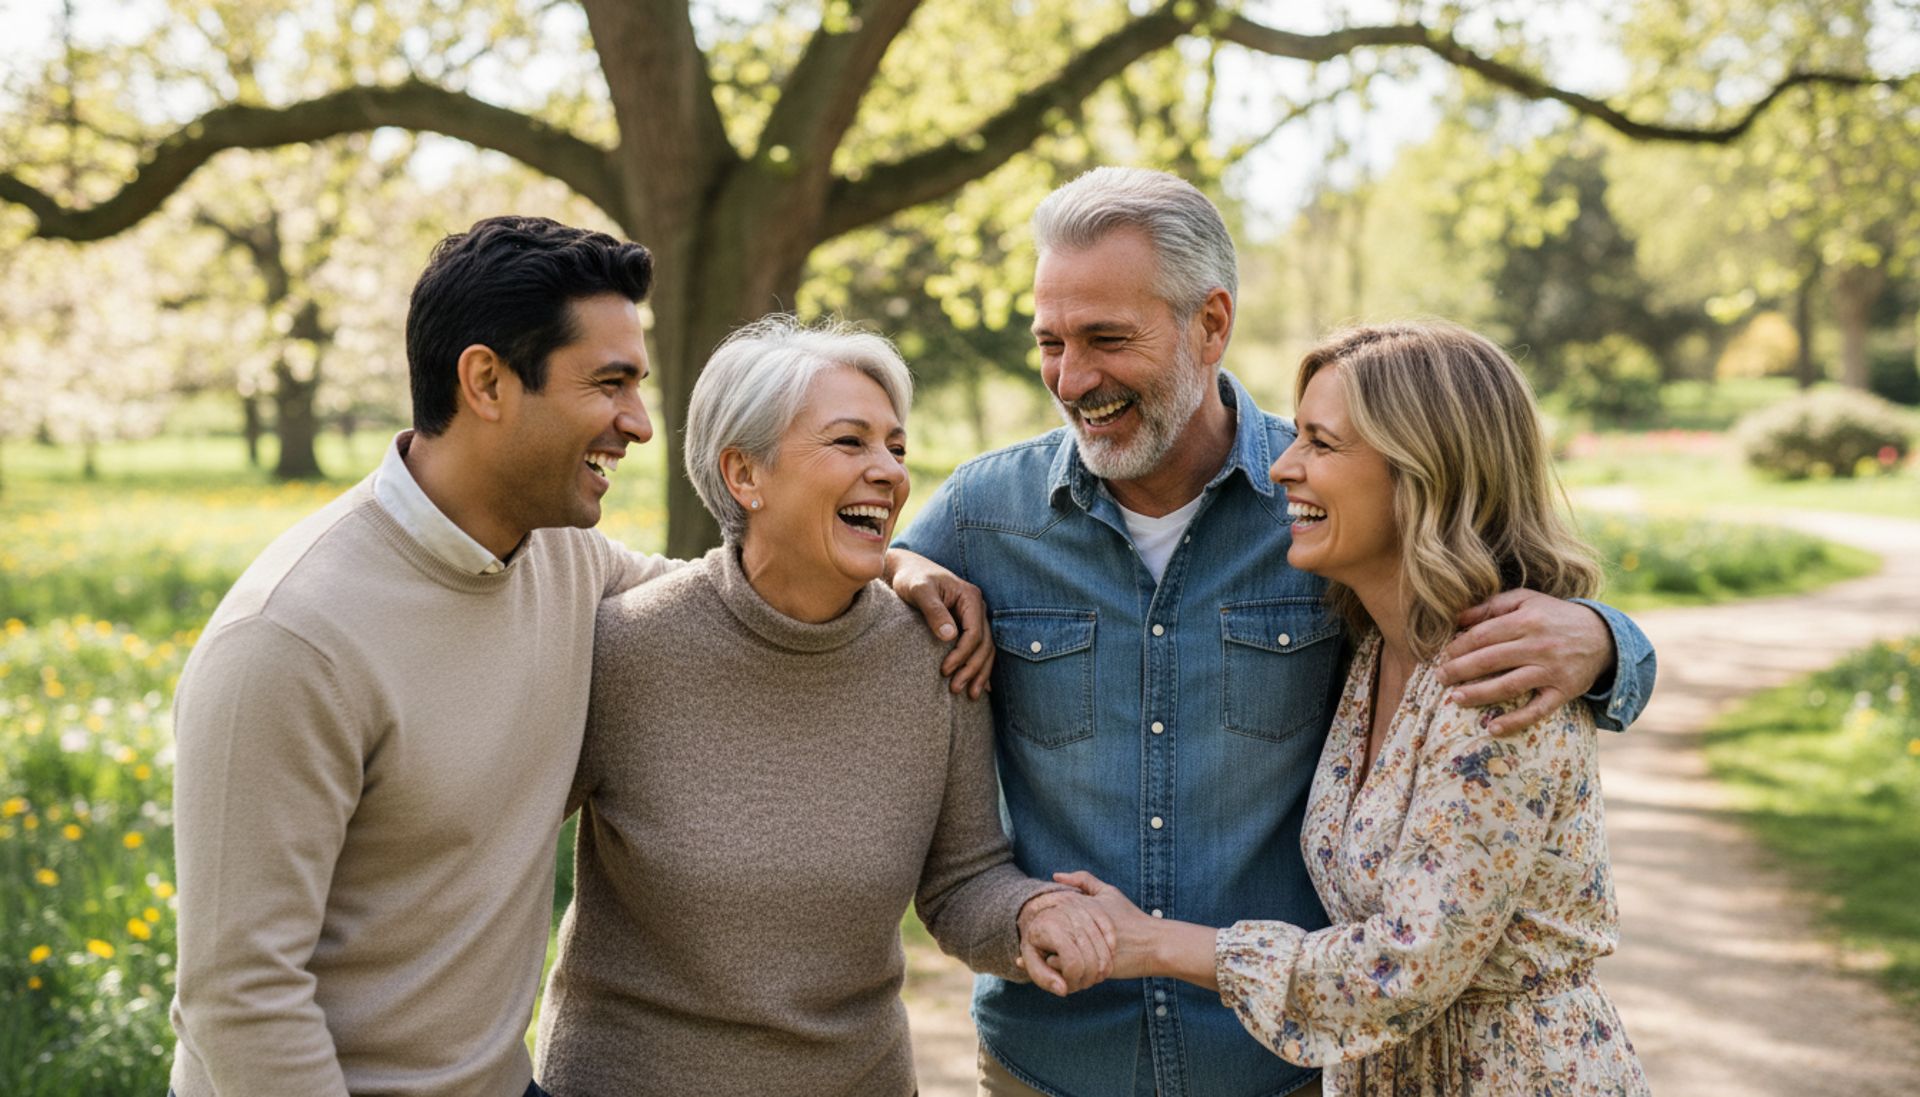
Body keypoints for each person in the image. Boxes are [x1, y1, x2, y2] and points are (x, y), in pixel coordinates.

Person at [166, 219, 992, 1097]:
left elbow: (743, 593)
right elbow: (239, 999)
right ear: (486, 380)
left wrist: (897, 562)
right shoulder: (290, 638)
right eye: (609, 384)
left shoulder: (562, 562)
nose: (637, 423)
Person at [892, 168, 1657, 1097]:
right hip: (1054, 1061)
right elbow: (826, 581)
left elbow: (1483, 596)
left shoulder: (1319, 522)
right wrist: (902, 563)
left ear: (1210, 323)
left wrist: (1607, 641)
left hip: (1280, 1068)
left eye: (1106, 338)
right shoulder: (983, 514)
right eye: (1049, 342)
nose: (1072, 377)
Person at [1057, 321, 1651, 1095]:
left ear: (1424, 472)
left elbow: (1398, 965)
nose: (1281, 468)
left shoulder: (1498, 676)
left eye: (1321, 444)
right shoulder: (1374, 645)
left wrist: (1151, 944)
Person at [533, 316, 1115, 1097]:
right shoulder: (627, 647)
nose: (889, 472)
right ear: (746, 475)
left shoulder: (934, 654)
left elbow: (962, 879)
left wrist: (1029, 914)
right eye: (850, 442)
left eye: (897, 448)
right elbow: (493, 858)